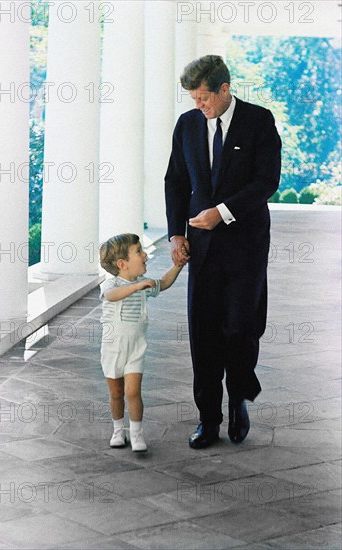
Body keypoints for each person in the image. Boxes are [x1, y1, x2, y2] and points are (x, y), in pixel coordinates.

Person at [165, 55, 281, 449]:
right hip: (202, 248)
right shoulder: (187, 125)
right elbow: (176, 181)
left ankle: (239, 399)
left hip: (246, 244)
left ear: (224, 89)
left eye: (203, 99)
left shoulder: (259, 121)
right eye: (194, 99)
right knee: (204, 331)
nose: (199, 106)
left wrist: (223, 213)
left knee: (240, 326)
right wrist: (175, 235)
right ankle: (208, 419)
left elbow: (267, 181)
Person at [99, 233, 183, 452]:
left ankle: (136, 433)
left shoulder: (143, 284)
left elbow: (163, 283)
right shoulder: (111, 284)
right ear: (122, 264)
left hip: (136, 348)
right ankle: (118, 429)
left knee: (133, 392)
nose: (145, 255)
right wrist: (136, 287)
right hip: (112, 349)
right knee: (116, 393)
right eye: (139, 251)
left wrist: (178, 266)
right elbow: (112, 296)